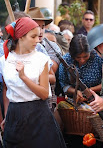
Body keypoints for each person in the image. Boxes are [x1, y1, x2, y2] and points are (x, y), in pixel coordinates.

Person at [0, 17, 66, 148]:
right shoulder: (4, 60)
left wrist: (24, 77)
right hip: (14, 116)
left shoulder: (41, 59)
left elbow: (43, 93)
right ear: (20, 37)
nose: (38, 40)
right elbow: (8, 90)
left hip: (38, 115)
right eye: (33, 36)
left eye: (38, 36)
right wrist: (7, 115)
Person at [59, 34, 103, 102]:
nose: (82, 60)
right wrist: (75, 91)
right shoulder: (66, 61)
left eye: (85, 56)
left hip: (97, 100)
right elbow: (63, 84)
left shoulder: (98, 59)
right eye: (78, 57)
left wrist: (91, 90)